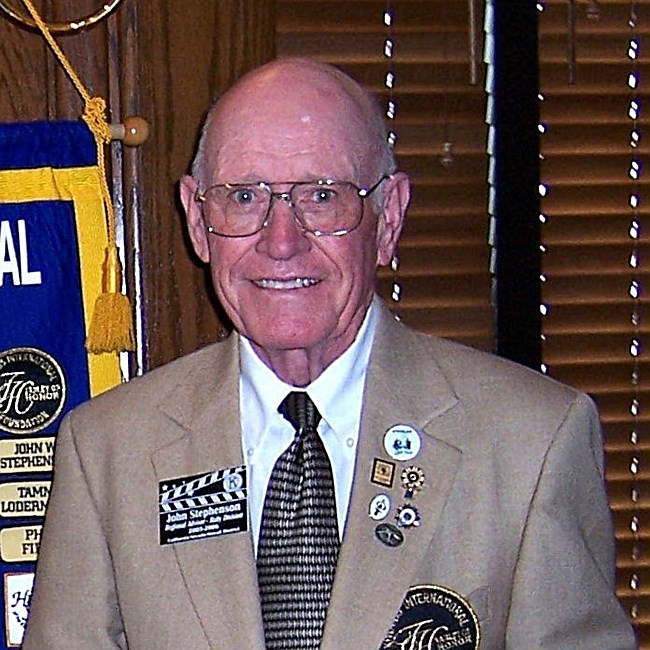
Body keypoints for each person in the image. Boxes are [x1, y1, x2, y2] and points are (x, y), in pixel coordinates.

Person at [23, 57, 636, 649]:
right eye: (244, 197)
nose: (281, 241)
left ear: (388, 217)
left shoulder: (532, 442)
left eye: (321, 196)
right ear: (197, 219)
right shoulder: (108, 453)